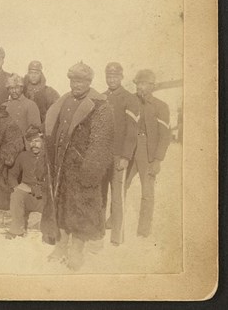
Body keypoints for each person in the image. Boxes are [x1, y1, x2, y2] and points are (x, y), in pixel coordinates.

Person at [41, 62, 114, 271]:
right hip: (61, 167)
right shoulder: (63, 102)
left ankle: (76, 250)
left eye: (81, 80)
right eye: (73, 80)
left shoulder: (100, 106)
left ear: (89, 82)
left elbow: (101, 143)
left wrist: (90, 171)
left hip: (83, 169)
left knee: (81, 210)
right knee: (61, 206)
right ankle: (61, 246)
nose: (76, 84)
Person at [125, 69, 171, 238]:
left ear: (152, 86)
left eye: (144, 84)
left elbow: (165, 135)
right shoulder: (129, 101)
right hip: (129, 150)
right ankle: (116, 222)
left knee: (147, 192)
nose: (140, 87)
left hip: (148, 151)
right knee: (122, 185)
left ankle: (143, 230)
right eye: (138, 84)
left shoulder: (161, 106)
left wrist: (158, 159)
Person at [102, 62, 140, 246]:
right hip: (102, 157)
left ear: (121, 77)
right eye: (109, 76)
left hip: (119, 156)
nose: (112, 80)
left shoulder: (129, 99)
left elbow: (132, 132)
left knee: (117, 197)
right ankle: (98, 230)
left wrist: (126, 156)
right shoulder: (101, 97)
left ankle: (117, 237)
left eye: (115, 76)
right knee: (100, 194)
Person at [5, 127, 47, 239]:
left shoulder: (49, 157)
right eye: (31, 142)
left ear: (44, 141)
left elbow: (53, 184)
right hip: (27, 197)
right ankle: (16, 230)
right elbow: (12, 174)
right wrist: (16, 186)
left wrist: (34, 190)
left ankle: (48, 232)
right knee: (16, 195)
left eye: (37, 141)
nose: (34, 144)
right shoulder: (23, 156)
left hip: (44, 198)